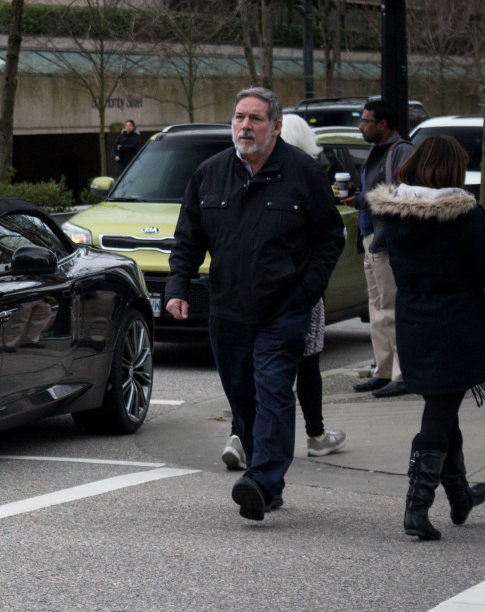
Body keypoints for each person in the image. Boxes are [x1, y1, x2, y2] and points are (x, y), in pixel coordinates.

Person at [166, 87, 345, 521]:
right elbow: (188, 238)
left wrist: (305, 294)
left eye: (256, 119)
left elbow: (330, 238)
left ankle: (263, 481)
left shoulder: (303, 173)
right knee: (242, 396)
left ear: (277, 126)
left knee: (273, 392)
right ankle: (264, 477)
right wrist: (177, 287)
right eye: (239, 117)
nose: (245, 126)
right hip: (227, 309)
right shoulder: (209, 173)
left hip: (282, 309)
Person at [366, 135, 485, 540]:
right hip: (455, 326)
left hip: (414, 322)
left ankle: (461, 495)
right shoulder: (462, 216)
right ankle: (416, 509)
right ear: (452, 170)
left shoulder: (396, 215)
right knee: (438, 415)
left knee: (443, 407)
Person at [221, 113, 346, 471]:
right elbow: (327, 235)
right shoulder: (307, 174)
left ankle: (239, 435)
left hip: (257, 291)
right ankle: (315, 434)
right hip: (297, 291)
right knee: (302, 363)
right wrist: (308, 290)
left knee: (252, 370)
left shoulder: (251, 174)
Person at [349, 100, 415, 398]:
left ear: (383, 125)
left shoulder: (402, 151)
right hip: (371, 238)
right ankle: (384, 370)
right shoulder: (377, 152)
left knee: (391, 308)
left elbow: (402, 195)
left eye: (366, 121)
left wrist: (362, 200)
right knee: (377, 310)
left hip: (388, 241)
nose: (361, 126)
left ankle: (403, 374)